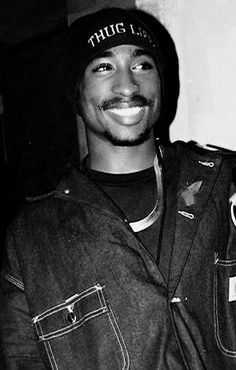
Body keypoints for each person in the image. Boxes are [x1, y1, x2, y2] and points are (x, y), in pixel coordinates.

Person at [0, 7, 236, 369]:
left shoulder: (225, 186)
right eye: (103, 67)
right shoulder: (31, 240)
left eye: (143, 65)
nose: (128, 85)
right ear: (76, 93)